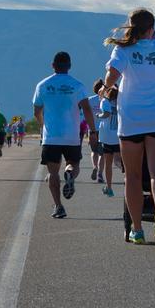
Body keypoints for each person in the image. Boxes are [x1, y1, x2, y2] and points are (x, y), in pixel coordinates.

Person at [102, 8, 155, 247]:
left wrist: (107, 87)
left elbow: (111, 76)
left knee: (133, 176)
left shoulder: (123, 49)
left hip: (132, 118)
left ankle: (136, 229)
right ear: (151, 27)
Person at [34, 51, 98, 219]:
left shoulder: (42, 85)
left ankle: (58, 206)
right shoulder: (77, 85)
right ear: (69, 66)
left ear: (53, 66)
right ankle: (70, 173)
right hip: (71, 135)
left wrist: (43, 125)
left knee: (52, 173)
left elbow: (37, 111)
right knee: (73, 164)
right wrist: (93, 131)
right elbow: (86, 109)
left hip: (51, 136)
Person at [97, 86, 121, 197]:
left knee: (108, 164)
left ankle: (109, 187)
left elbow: (106, 114)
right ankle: (129, 178)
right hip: (118, 135)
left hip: (106, 136)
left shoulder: (104, 101)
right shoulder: (120, 101)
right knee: (119, 160)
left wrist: (99, 115)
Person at [86, 80, 105, 184]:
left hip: (92, 129)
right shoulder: (106, 100)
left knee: (94, 151)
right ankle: (100, 173)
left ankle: (94, 167)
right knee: (102, 154)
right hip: (103, 130)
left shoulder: (89, 100)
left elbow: (85, 115)